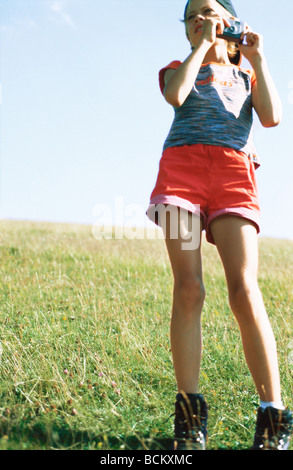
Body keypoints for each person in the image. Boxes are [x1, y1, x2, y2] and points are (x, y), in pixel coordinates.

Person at [146, 0, 293, 450]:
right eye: (192, 17)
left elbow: (271, 117)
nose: (200, 19)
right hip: (182, 172)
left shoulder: (248, 74)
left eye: (210, 11)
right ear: (187, 31)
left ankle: (273, 418)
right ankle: (190, 418)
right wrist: (203, 48)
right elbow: (176, 95)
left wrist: (258, 57)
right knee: (189, 287)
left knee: (243, 289)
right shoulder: (176, 67)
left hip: (233, 174)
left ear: (230, 21)